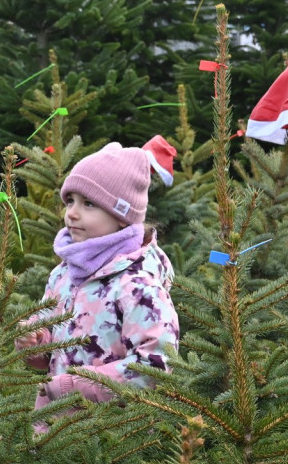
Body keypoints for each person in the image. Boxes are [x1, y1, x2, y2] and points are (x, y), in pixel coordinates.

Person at [16, 142, 179, 433]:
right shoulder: (64, 273)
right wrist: (33, 340)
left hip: (114, 442)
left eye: (88, 204)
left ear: (121, 217)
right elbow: (49, 348)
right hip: (55, 434)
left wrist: (73, 385)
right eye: (70, 201)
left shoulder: (137, 285)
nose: (72, 214)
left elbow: (156, 367)